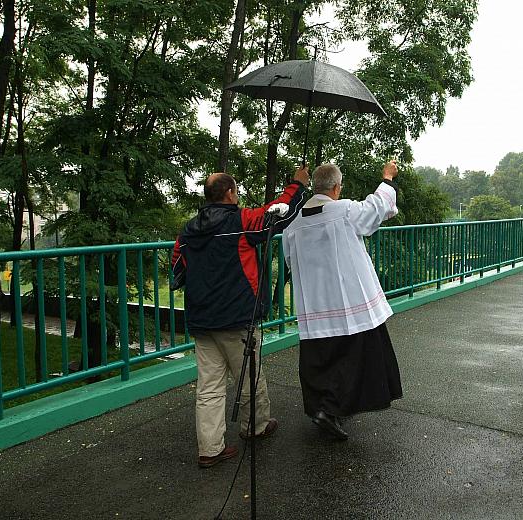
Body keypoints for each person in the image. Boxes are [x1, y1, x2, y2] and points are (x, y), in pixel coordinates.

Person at [171, 167, 309, 467]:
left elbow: (176, 271)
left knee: (208, 387)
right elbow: (279, 213)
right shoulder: (242, 221)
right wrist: (297, 184)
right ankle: (255, 427)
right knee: (250, 376)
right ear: (230, 193)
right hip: (237, 319)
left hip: (202, 321)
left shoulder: (188, 230)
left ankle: (210, 449)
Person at [282, 161, 403, 440]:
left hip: (315, 304)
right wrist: (387, 178)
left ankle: (321, 408)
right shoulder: (344, 210)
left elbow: (290, 260)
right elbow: (377, 208)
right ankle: (335, 408)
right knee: (351, 358)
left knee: (320, 359)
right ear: (336, 187)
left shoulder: (295, 223)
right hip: (348, 301)